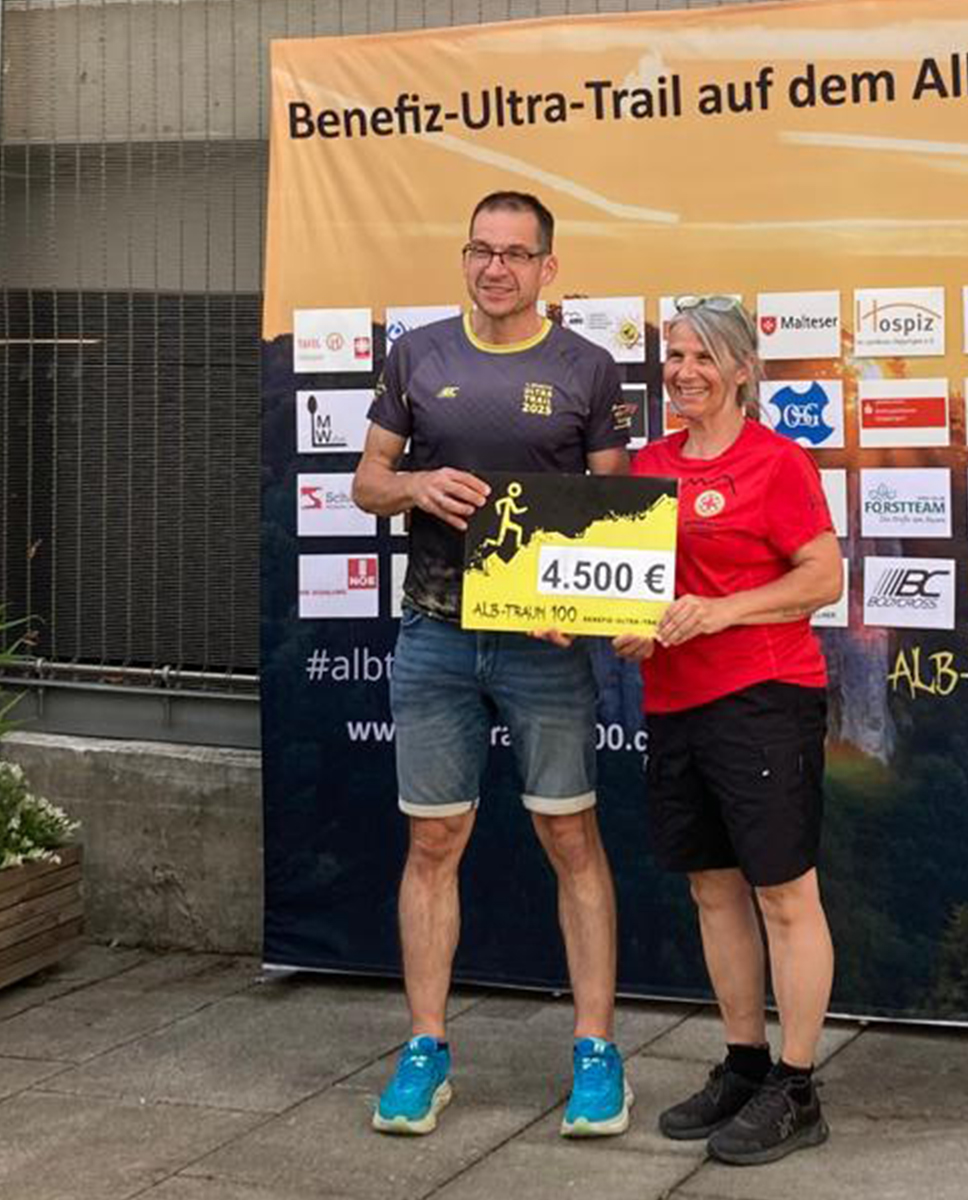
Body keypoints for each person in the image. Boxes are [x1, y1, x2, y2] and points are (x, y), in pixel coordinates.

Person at [352, 191, 635, 1138]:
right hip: (435, 632)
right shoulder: (417, 355)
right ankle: (424, 1049)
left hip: (541, 646)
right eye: (481, 249)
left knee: (571, 837)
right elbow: (367, 482)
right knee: (433, 842)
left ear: (548, 267)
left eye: (515, 253)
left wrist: (578, 607)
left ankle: (596, 1051)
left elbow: (616, 513)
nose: (495, 267)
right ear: (465, 257)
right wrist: (415, 486)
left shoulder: (587, 367)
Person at [613, 296, 843, 1165]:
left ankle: (798, 1086)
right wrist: (618, 625)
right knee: (713, 890)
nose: (685, 372)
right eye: (675, 356)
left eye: (704, 357)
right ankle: (745, 1066)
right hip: (675, 702)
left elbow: (823, 577)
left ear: (744, 369)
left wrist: (721, 611)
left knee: (784, 895)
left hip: (764, 698)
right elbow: (636, 591)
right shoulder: (649, 465)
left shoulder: (777, 462)